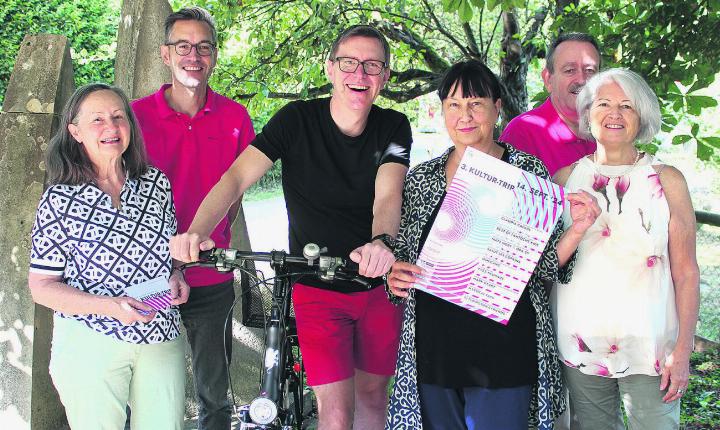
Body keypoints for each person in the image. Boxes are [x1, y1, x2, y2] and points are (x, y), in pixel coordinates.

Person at [171, 25, 412, 430]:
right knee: (335, 414)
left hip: (375, 283)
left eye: (373, 66)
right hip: (314, 285)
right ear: (330, 68)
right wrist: (196, 231)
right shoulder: (296, 119)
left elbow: (388, 196)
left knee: (372, 398)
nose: (360, 74)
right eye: (349, 62)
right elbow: (234, 178)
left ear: (385, 77)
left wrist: (381, 243)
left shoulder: (393, 125)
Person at [384, 60, 600, 430]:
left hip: (504, 346)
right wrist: (395, 276)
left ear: (497, 107)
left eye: (475, 103)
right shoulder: (423, 177)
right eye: (453, 105)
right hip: (435, 347)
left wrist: (577, 230)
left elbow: (546, 265)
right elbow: (404, 256)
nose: (464, 115)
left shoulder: (525, 171)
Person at [27, 83, 189, 429]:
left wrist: (178, 276)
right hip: (92, 340)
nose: (111, 128)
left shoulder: (156, 184)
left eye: (118, 117)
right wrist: (110, 306)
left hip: (160, 335)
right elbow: (42, 287)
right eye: (97, 120)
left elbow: (169, 256)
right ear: (75, 132)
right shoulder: (60, 200)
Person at [551, 68, 700, 429]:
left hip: (651, 346)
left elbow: (686, 272)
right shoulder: (564, 179)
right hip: (579, 341)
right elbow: (546, 265)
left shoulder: (667, 180)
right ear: (587, 113)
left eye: (626, 106)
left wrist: (682, 350)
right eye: (603, 103)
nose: (614, 114)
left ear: (642, 117)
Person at [131, 7, 255, 429]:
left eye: (203, 47)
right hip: (148, 274)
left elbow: (235, 191)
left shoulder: (235, 117)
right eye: (183, 46)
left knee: (214, 396)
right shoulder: (134, 117)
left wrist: (212, 234)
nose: (193, 56)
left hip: (209, 275)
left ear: (215, 55)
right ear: (165, 55)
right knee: (145, 390)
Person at [500, 32, 601, 176]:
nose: (581, 80)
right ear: (548, 79)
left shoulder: (608, 130)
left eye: (590, 71)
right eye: (570, 70)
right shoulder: (524, 132)